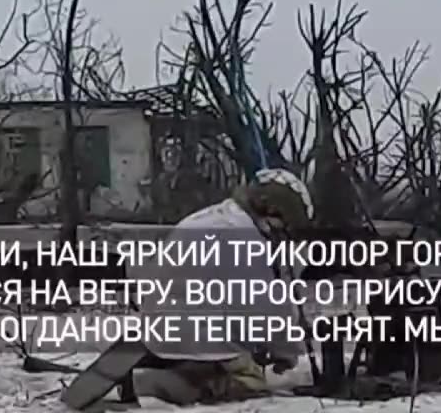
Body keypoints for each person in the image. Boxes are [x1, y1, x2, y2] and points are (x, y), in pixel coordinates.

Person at [129, 168, 314, 405]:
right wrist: (286, 351)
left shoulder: (210, 218)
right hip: (198, 340)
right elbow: (264, 309)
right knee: (249, 384)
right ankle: (164, 386)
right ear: (272, 211)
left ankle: (170, 377)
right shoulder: (244, 237)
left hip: (160, 331)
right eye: (284, 227)